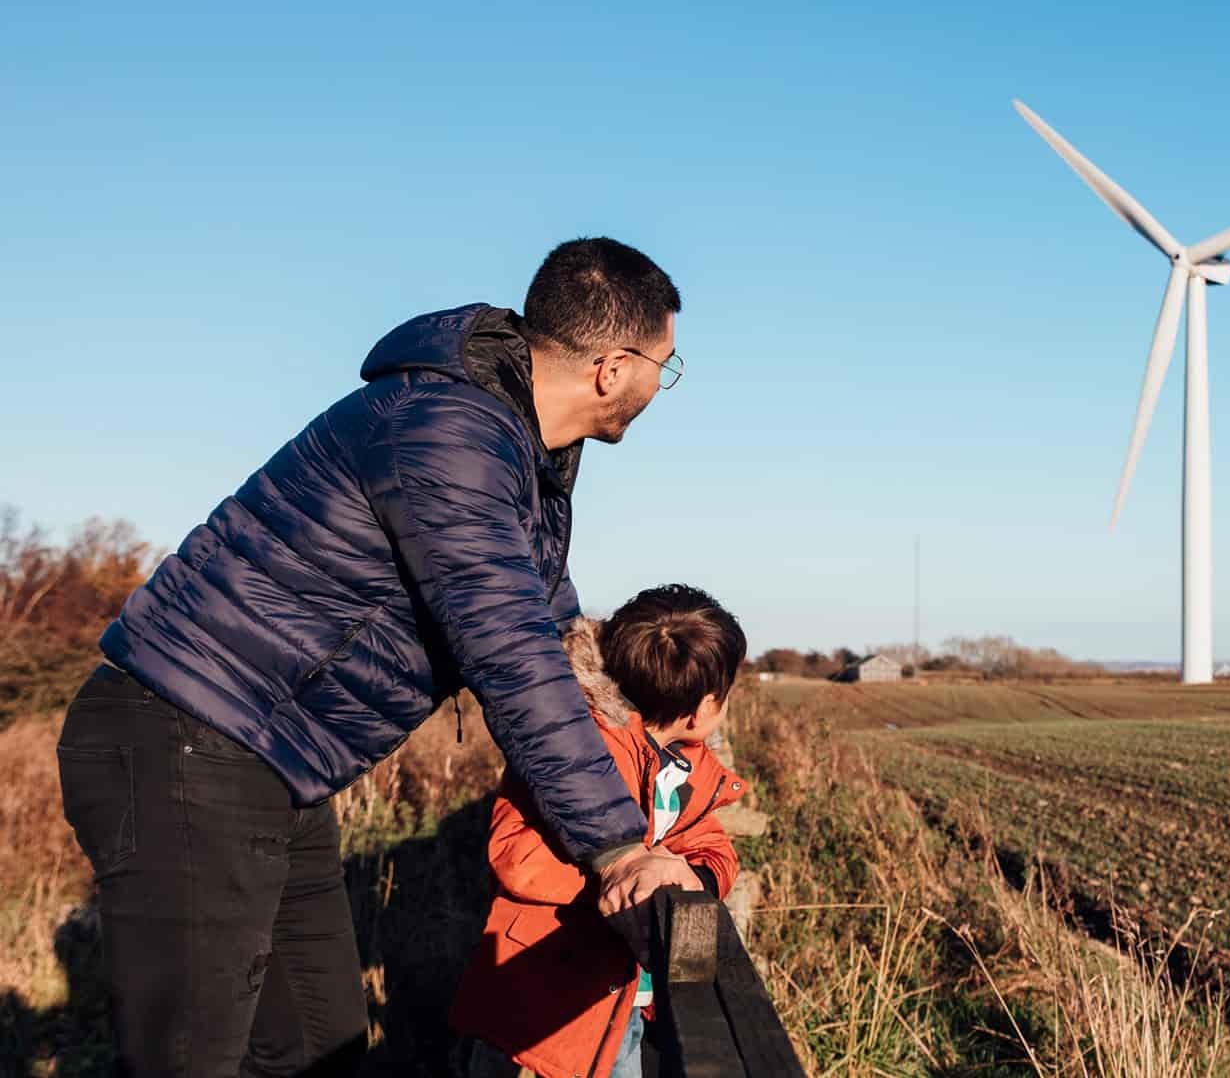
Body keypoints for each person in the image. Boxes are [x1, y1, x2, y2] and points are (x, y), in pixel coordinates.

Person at [55, 238, 699, 1076]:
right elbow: (509, 656)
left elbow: (557, 639)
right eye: (665, 366)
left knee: (316, 1046)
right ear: (615, 367)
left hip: (271, 763)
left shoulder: (516, 457)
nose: (662, 386)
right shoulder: (451, 438)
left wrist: (650, 766)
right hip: (189, 737)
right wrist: (617, 848)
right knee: (191, 1058)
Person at [451, 585, 749, 1078]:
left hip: (624, 999)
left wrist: (691, 879)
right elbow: (518, 858)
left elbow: (712, 847)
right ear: (701, 710)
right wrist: (627, 881)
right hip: (547, 996)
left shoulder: (688, 767)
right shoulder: (578, 753)